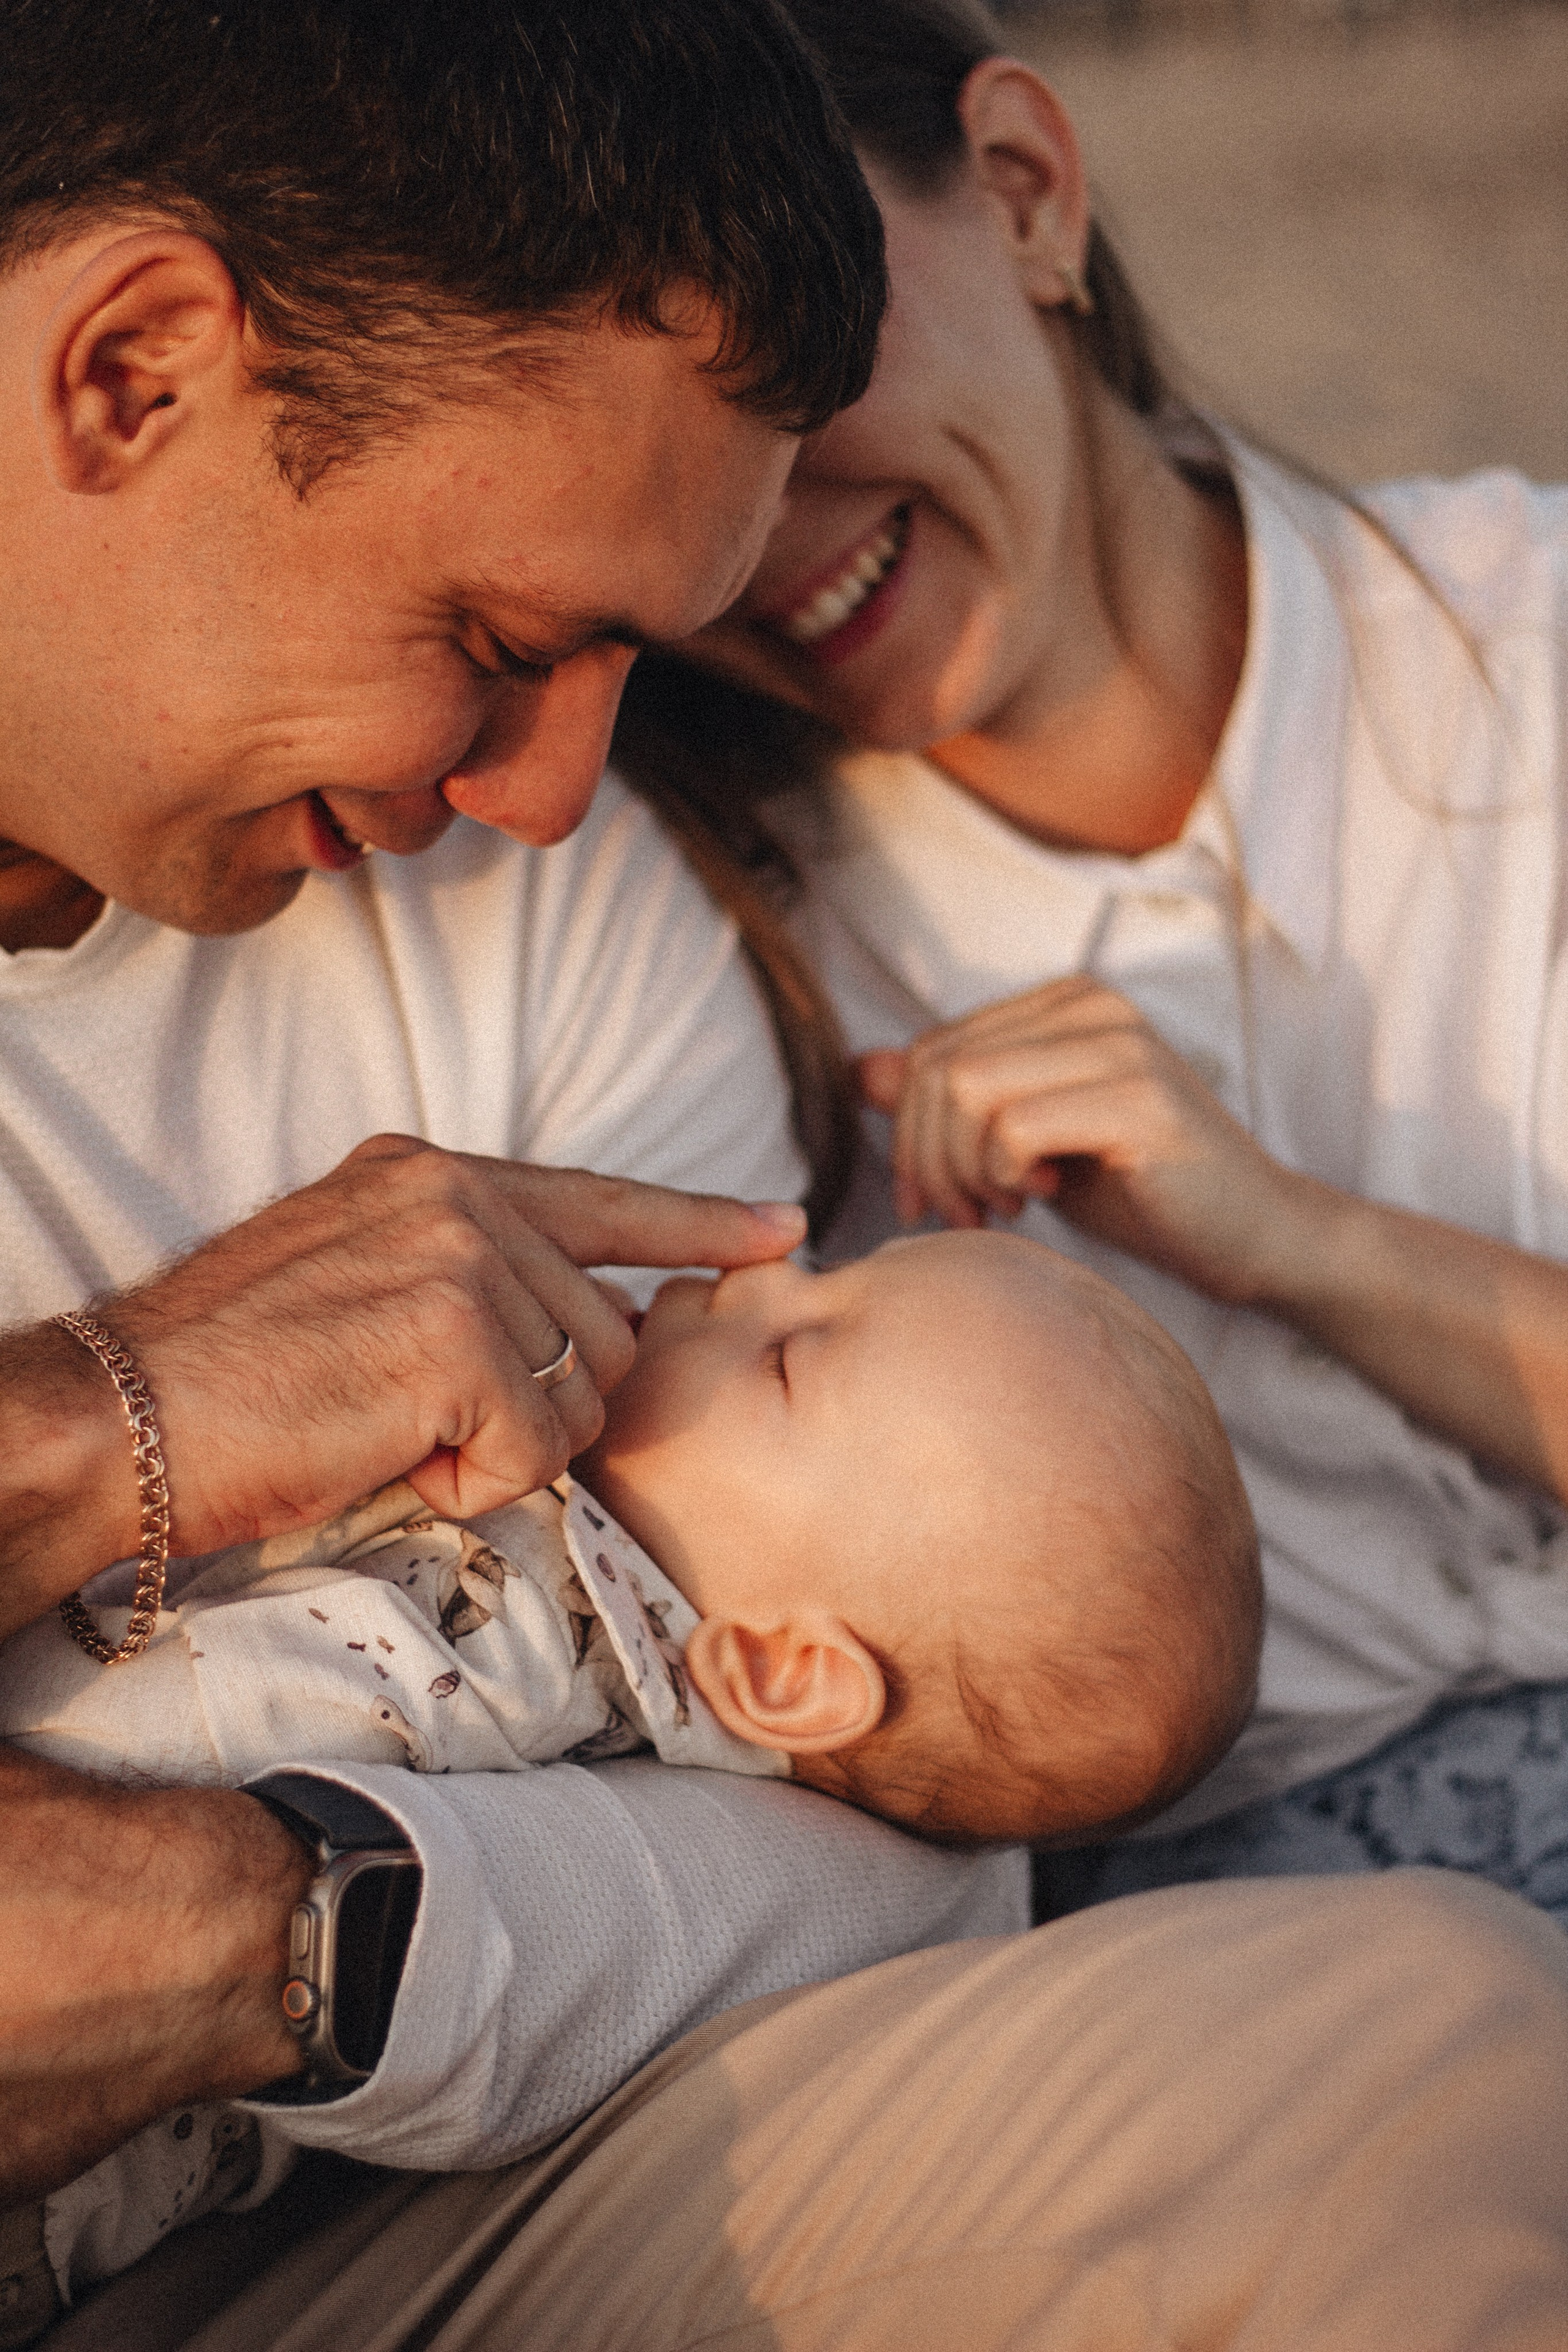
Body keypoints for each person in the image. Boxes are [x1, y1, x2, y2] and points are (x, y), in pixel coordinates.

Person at [6, 4, 1568, 2349]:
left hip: (423, 2181)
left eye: (628, 656)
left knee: (1418, 2040)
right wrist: (106, 1417)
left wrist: (277, 1931)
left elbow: (885, 1845)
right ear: (130, 376)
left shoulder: (528, 901)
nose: (555, 787)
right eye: (504, 640)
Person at [617, 0, 1568, 1913]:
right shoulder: (702, 933)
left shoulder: (1530, 655)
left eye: (799, 375)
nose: (763, 536)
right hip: (1238, 1942)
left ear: (1029, 193)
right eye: (666, 477)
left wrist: (1300, 1237)